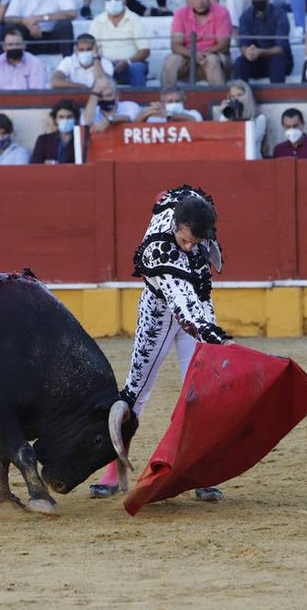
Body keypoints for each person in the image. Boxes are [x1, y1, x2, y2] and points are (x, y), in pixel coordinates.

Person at [88, 185, 231, 502]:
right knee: (136, 390)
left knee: (201, 390)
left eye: (196, 242)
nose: (190, 246)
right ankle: (113, 469)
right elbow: (179, 301)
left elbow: (197, 292)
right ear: (176, 226)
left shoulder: (193, 213)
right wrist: (211, 333)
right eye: (185, 240)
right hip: (159, 311)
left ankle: (200, 470)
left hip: (196, 305)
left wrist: (209, 328)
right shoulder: (158, 248)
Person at [162, 0, 233, 86]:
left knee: (212, 60)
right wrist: (194, 54)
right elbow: (175, 45)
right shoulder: (180, 14)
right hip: (188, 56)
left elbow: (224, 44)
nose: (200, 2)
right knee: (171, 61)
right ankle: (167, 99)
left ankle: (219, 100)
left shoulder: (222, 12)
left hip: (215, 55)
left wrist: (203, 54)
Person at [89, 0, 150, 87]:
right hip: (107, 66)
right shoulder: (97, 21)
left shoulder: (135, 19)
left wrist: (127, 61)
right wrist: (104, 64)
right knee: (95, 68)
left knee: (137, 68)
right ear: (103, 1)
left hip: (131, 65)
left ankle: (140, 101)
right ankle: (99, 101)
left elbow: (145, 51)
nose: (113, 1)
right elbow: (93, 48)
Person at [234, 0, 292, 83]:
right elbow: (243, 44)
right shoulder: (245, 16)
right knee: (240, 63)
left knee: (277, 60)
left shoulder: (280, 15)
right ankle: (239, 96)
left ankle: (278, 96)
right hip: (255, 61)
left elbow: (281, 47)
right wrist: (247, 52)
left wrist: (260, 52)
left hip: (278, 60)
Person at [0, 26, 47, 90]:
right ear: (4, 47)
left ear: (24, 45)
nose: (14, 47)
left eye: (17, 44)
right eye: (10, 45)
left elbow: (36, 93)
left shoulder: (34, 63)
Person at [216, 79, 269, 156]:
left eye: (239, 95)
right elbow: (222, 137)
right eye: (232, 96)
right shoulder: (228, 118)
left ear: (247, 96)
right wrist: (225, 113)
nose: (236, 99)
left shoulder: (259, 118)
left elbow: (250, 140)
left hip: (253, 160)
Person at [30, 98, 81, 164]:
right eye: (61, 117)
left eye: (69, 117)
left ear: (76, 119)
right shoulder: (43, 140)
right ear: (55, 119)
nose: (65, 120)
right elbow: (35, 165)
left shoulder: (82, 140)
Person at [137, 85, 204, 122]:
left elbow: (194, 120)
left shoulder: (193, 113)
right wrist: (148, 112)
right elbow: (136, 125)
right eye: (170, 101)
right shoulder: (155, 118)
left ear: (183, 101)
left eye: (177, 101)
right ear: (163, 102)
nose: (174, 104)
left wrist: (168, 115)